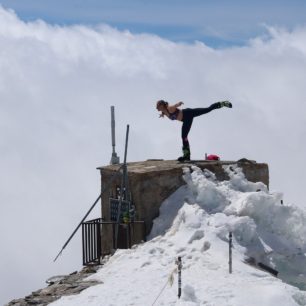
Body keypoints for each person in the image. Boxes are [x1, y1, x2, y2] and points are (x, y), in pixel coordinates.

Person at [156, 99, 232, 161]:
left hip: (189, 113)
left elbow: (175, 106)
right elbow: (164, 113)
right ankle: (186, 156)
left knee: (207, 109)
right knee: (184, 137)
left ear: (162, 105)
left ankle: (223, 103)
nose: (156, 107)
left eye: (158, 105)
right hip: (185, 120)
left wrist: (179, 104)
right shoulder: (164, 112)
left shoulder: (170, 108)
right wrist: (162, 114)